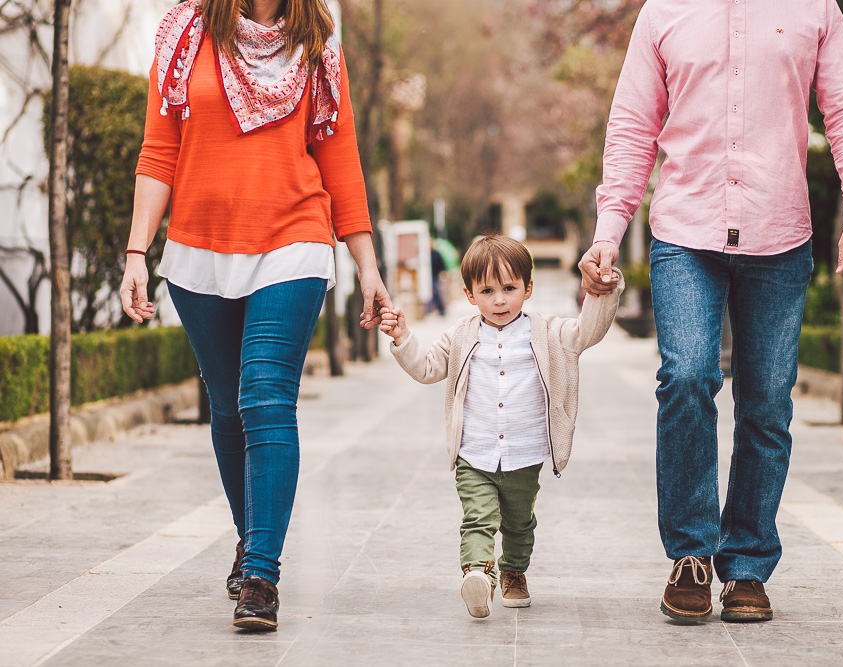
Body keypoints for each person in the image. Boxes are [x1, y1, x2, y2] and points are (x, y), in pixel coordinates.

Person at [579, 0, 843, 623]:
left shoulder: (815, 8)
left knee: (768, 403)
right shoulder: (663, 11)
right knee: (688, 377)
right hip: (684, 233)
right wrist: (609, 229)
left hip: (780, 234)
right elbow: (634, 126)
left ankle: (746, 563)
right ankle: (691, 554)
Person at [118, 0, 392, 632]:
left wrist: (368, 265)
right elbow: (161, 148)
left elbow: (338, 150)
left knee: (266, 397)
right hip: (198, 249)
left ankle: (262, 575)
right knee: (227, 407)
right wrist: (137, 250)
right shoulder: (187, 33)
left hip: (293, 241)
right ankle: (251, 540)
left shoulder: (317, 40)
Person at [379, 235, 623, 618]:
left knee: (519, 524)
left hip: (526, 453)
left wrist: (602, 292)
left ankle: (513, 570)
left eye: (509, 289)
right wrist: (401, 337)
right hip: (473, 453)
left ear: (528, 288)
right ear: (469, 293)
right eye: (487, 290)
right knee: (478, 518)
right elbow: (427, 368)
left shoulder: (548, 331)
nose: (499, 300)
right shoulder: (461, 334)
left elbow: (586, 333)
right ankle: (478, 575)